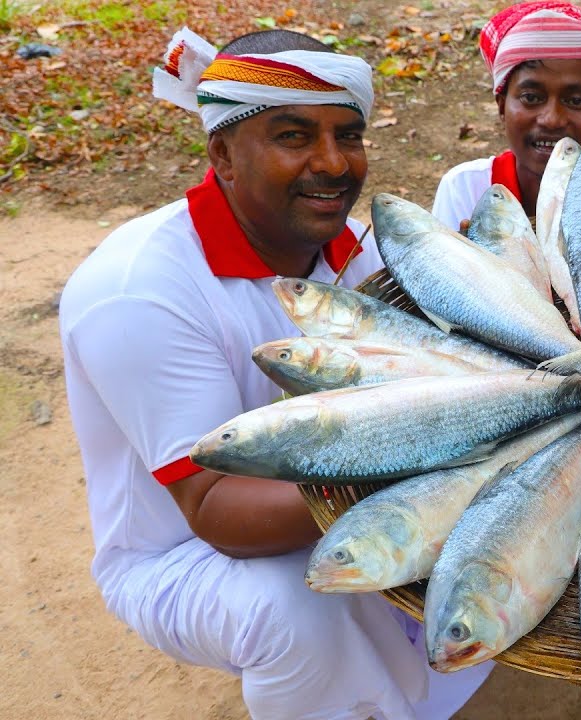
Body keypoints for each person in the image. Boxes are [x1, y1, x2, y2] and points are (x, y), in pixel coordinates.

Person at [60, 28, 489, 719]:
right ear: (223, 155)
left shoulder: (357, 251)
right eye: (294, 137)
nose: (333, 163)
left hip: (327, 495)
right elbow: (218, 512)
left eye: (348, 135)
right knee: (293, 607)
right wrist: (437, 475)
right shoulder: (139, 290)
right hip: (185, 556)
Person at [431, 0, 581, 229]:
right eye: (531, 98)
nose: (552, 119)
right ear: (502, 106)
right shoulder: (467, 188)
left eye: (575, 101)